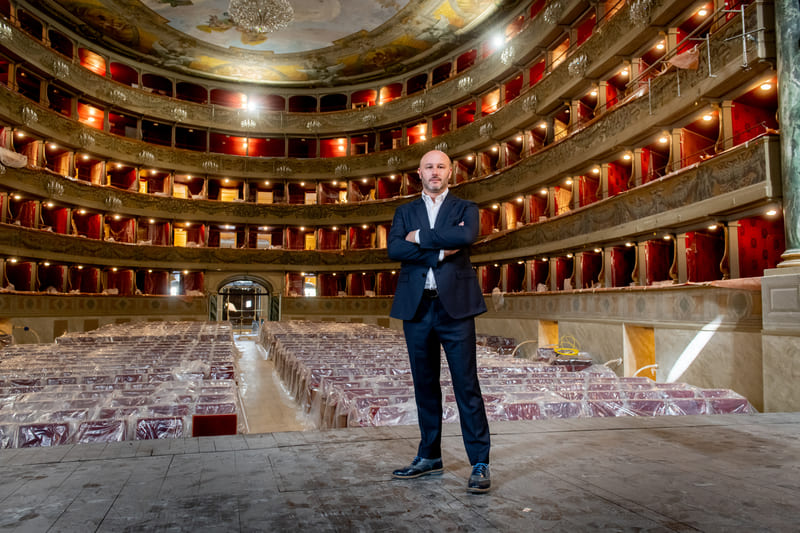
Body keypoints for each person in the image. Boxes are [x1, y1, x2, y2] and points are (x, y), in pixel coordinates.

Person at [387, 150, 491, 493]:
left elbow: (465, 238)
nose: (435, 172)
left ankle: (479, 461)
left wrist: (418, 238)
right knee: (425, 386)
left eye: (441, 166)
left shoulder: (466, 209)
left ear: (451, 172)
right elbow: (395, 250)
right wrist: (440, 248)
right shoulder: (405, 211)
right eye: (429, 167)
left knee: (466, 386)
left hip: (456, 309)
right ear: (419, 173)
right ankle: (429, 455)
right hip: (417, 309)